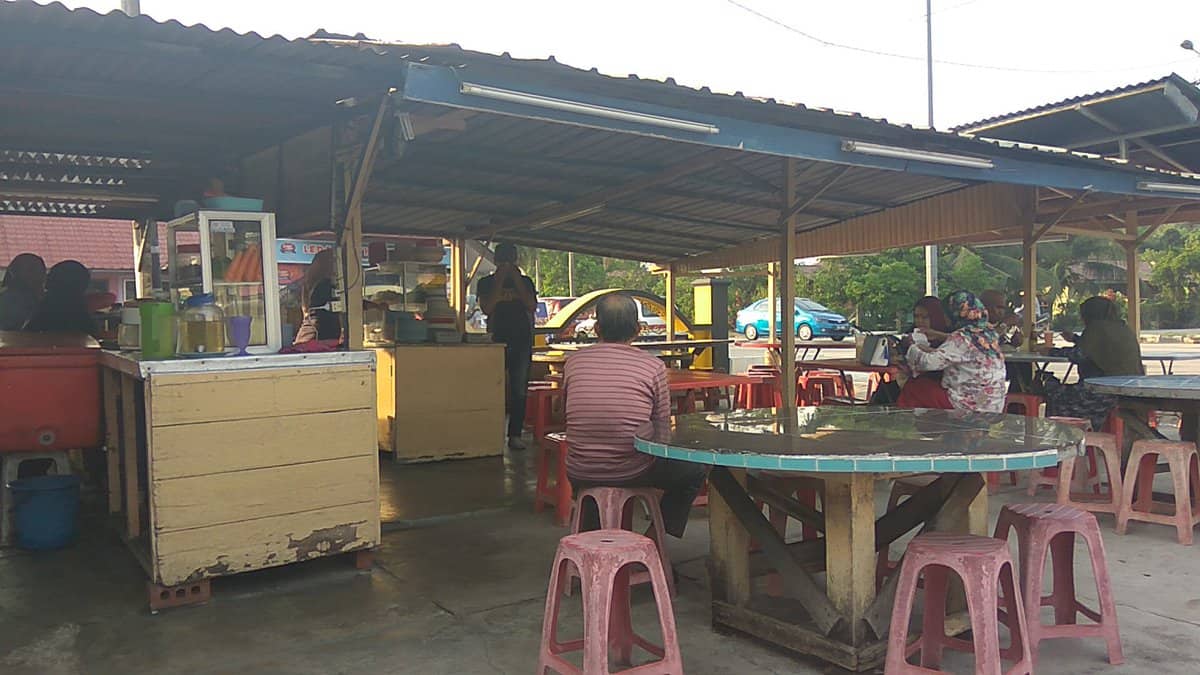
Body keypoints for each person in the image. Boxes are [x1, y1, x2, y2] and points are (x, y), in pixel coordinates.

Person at [563, 294, 707, 538]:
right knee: (695, 469)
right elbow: (661, 429)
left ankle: (590, 543)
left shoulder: (573, 362)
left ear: (597, 328)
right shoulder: (652, 367)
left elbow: (567, 410)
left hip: (579, 471)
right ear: (638, 330)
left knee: (595, 471)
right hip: (631, 471)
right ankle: (653, 538)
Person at [1042, 296, 1144, 430]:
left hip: (1102, 393)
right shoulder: (1122, 328)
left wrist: (1050, 352)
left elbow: (1079, 355)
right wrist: (1075, 339)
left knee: (1050, 388)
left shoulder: (1096, 328)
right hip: (1128, 391)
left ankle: (1064, 436)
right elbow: (1102, 349)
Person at [897, 290, 1007, 413]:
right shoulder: (988, 334)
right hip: (994, 404)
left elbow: (928, 363)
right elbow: (965, 351)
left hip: (970, 406)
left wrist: (911, 345)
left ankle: (905, 423)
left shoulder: (961, 337)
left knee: (915, 387)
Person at [477, 243, 537, 450]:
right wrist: (500, 280)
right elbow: (487, 307)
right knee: (492, 388)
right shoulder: (486, 283)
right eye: (503, 260)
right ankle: (490, 433)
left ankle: (515, 435)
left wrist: (517, 281)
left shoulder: (526, 282)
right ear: (496, 262)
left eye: (510, 260)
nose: (507, 264)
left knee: (519, 390)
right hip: (496, 341)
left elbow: (531, 305)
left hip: (522, 341)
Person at [871, 296, 950, 404]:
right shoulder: (911, 335)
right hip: (911, 381)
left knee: (889, 393)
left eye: (925, 317)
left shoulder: (948, 339)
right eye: (916, 316)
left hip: (936, 387)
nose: (920, 321)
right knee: (884, 390)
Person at [24, 260, 97, 336]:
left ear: (50, 281)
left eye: (49, 275)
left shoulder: (45, 310)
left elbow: (25, 337)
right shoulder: (82, 316)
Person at [292, 248, 342, 346]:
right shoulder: (324, 284)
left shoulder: (312, 282)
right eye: (335, 262)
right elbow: (347, 303)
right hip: (317, 339)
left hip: (309, 337)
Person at [0, 253, 46, 330]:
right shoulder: (11, 299)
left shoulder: (44, 299)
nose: (38, 275)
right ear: (15, 273)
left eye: (40, 270)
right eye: (31, 270)